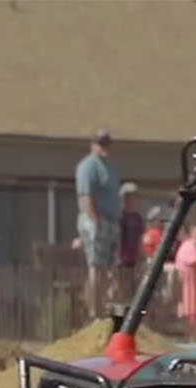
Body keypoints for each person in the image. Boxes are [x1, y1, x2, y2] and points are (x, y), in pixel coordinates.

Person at [75, 126, 122, 316]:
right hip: (95, 220)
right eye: (100, 143)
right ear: (93, 144)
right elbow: (86, 196)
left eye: (106, 143)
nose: (104, 147)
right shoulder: (88, 165)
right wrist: (95, 221)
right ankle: (94, 310)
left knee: (108, 268)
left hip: (111, 221)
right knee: (95, 266)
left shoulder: (109, 167)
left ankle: (102, 307)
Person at [118, 181, 145, 277]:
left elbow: (141, 237)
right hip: (120, 259)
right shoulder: (119, 216)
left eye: (134, 197)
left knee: (132, 284)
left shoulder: (138, 218)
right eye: (128, 197)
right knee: (119, 283)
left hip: (134, 258)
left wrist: (141, 254)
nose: (131, 200)